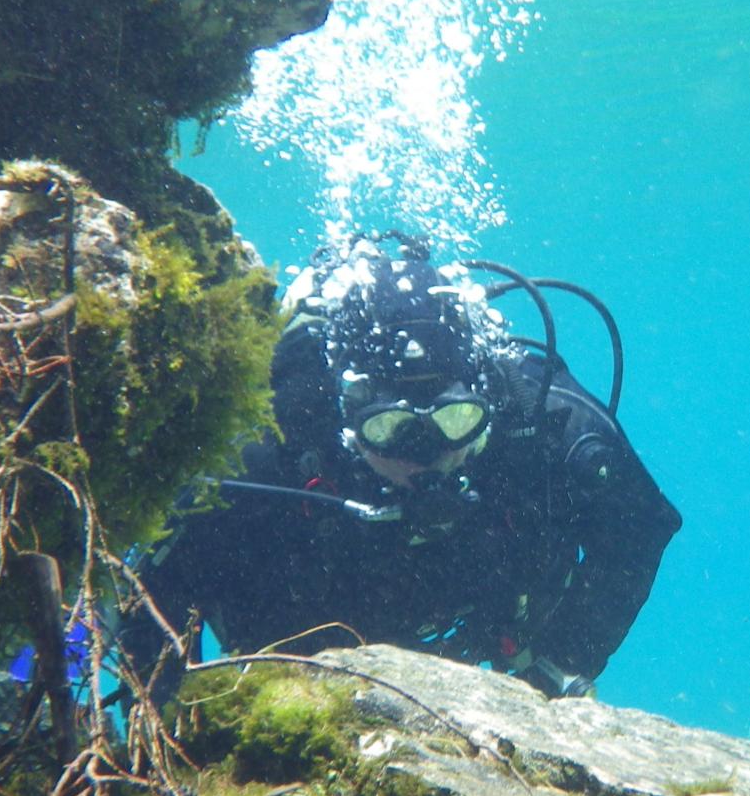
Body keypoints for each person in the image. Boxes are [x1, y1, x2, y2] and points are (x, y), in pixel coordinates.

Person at [115, 232, 680, 698]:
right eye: (391, 429)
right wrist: (175, 724)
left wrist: (559, 664)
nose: (427, 457)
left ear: (482, 400)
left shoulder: (541, 419)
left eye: (454, 420)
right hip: (300, 647)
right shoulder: (266, 451)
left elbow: (640, 525)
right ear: (348, 416)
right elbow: (150, 592)